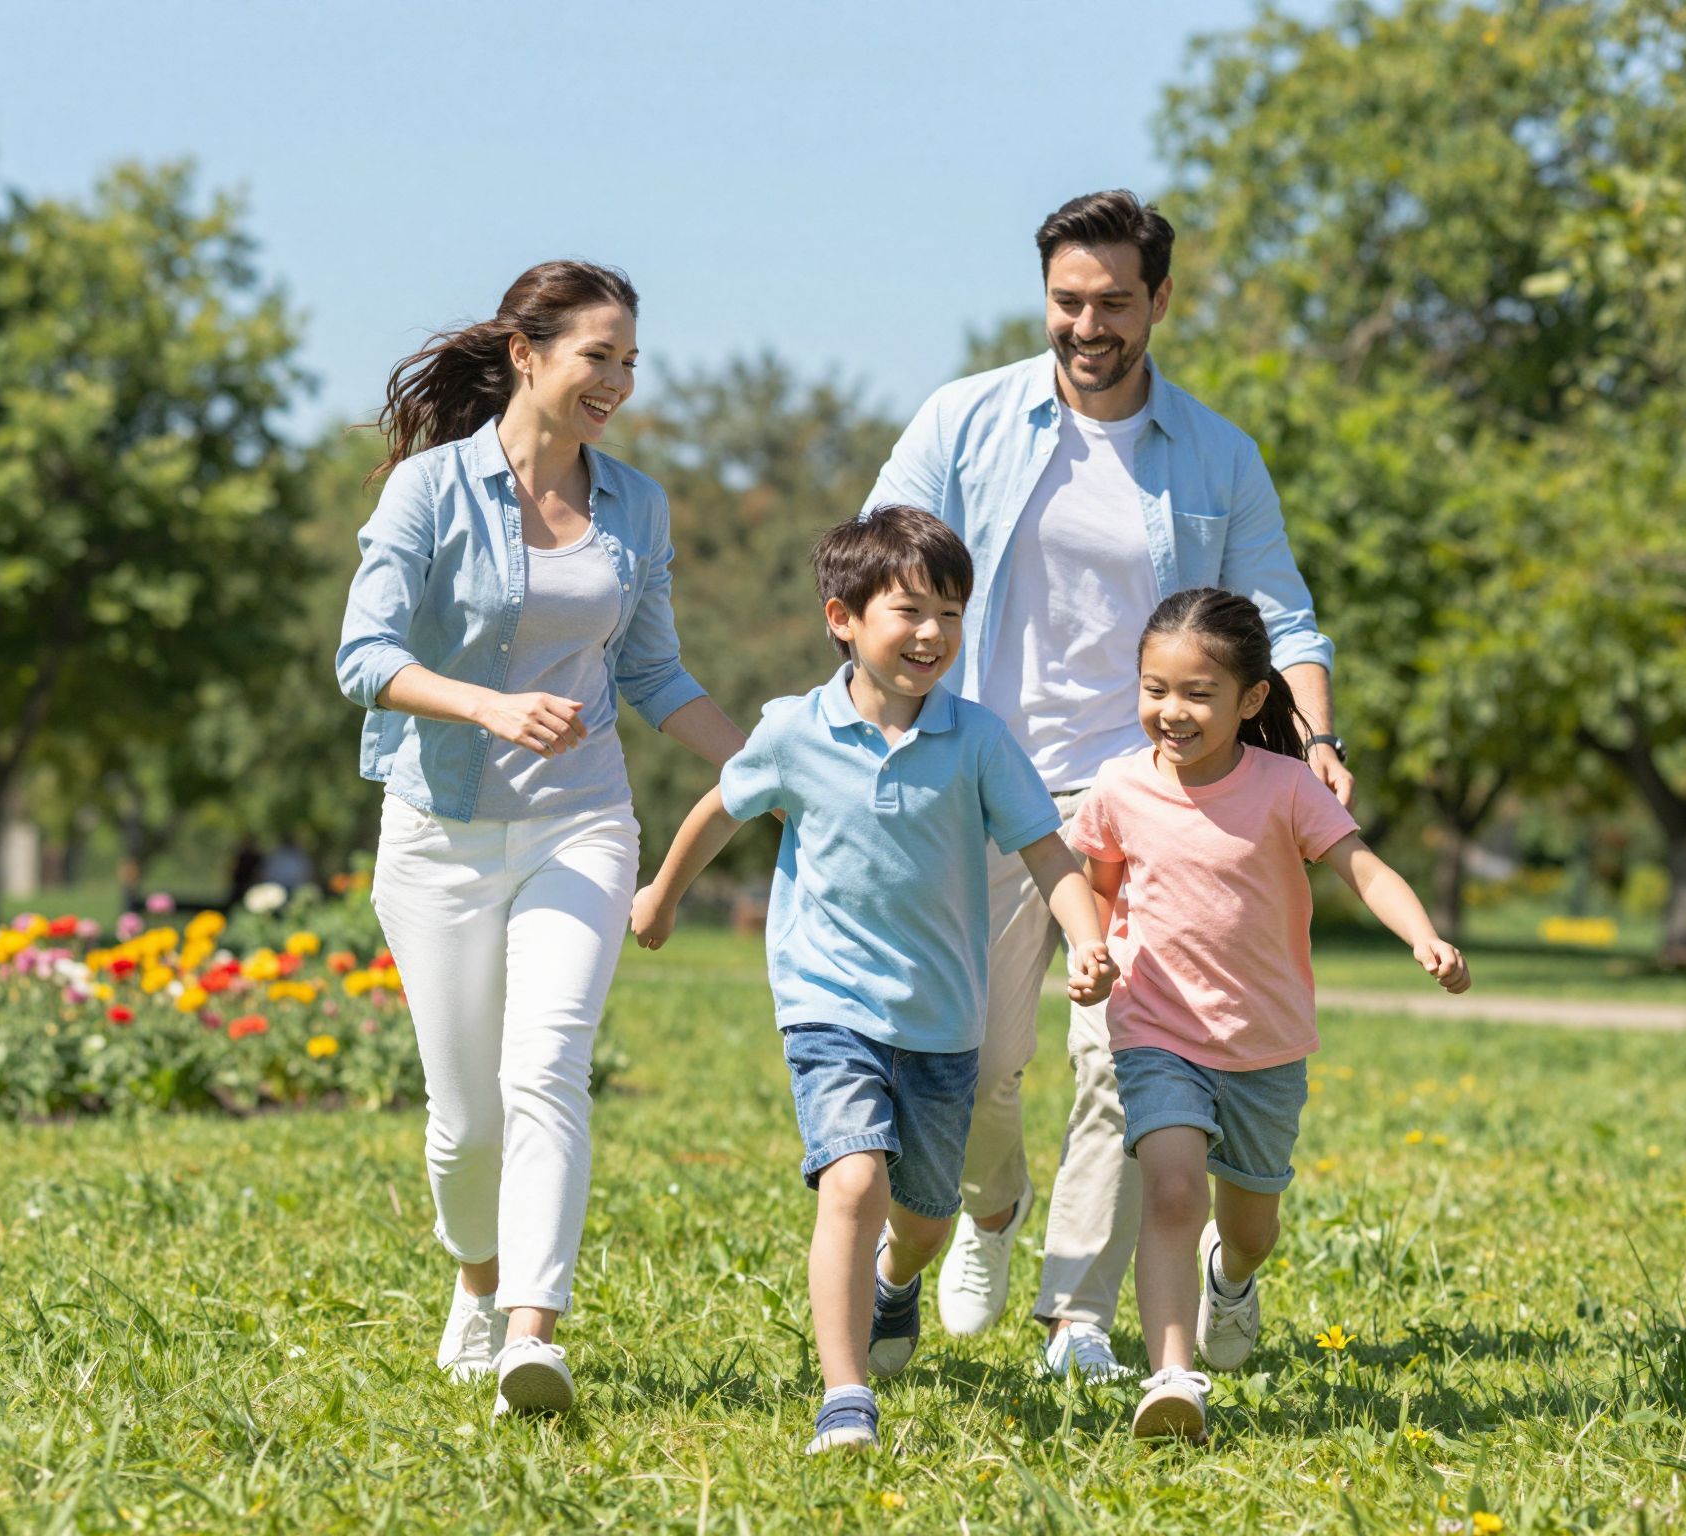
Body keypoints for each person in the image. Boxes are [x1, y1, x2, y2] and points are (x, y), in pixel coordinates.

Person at [864, 189, 1351, 1378]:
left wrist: (1319, 742)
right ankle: (987, 1209)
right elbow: (877, 564)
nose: (1086, 326)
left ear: (1160, 302)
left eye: (1113, 304)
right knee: (970, 1065)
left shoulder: (1214, 454)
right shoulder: (961, 419)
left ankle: (1076, 1319)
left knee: (1114, 1061)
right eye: (1066, 302)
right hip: (974, 773)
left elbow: (1280, 616)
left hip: (1136, 796)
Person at [336, 260, 747, 1417]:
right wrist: (487, 704)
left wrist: (768, 762)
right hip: (440, 833)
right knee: (465, 1120)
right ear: (527, 355)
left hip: (581, 824)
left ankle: (532, 1330)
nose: (617, 380)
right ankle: (476, 1279)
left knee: (547, 1070)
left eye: (629, 359)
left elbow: (655, 672)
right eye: (596, 356)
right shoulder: (427, 493)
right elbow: (360, 659)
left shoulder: (637, 506)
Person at [628, 506, 1115, 1454]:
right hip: (828, 1006)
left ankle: (898, 1284)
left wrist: (1086, 937)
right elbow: (717, 812)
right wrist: (662, 894)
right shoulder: (789, 732)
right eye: (909, 610)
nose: (932, 632)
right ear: (841, 617)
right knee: (851, 1181)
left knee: (924, 1219)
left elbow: (1050, 857)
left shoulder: (978, 741)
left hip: (940, 1021)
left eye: (949, 612)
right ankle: (844, 1397)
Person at [1070, 588, 1469, 1440]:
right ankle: (1171, 1376)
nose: (1170, 712)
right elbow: (1097, 884)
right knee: (1172, 1189)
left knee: (1249, 1226)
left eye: (1196, 694)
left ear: (1251, 699)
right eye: (1154, 689)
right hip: (1158, 1029)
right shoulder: (1116, 787)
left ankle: (1233, 1276)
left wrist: (1424, 936)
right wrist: (1090, 950)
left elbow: (1363, 867)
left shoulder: (1286, 787)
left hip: (1265, 1044)